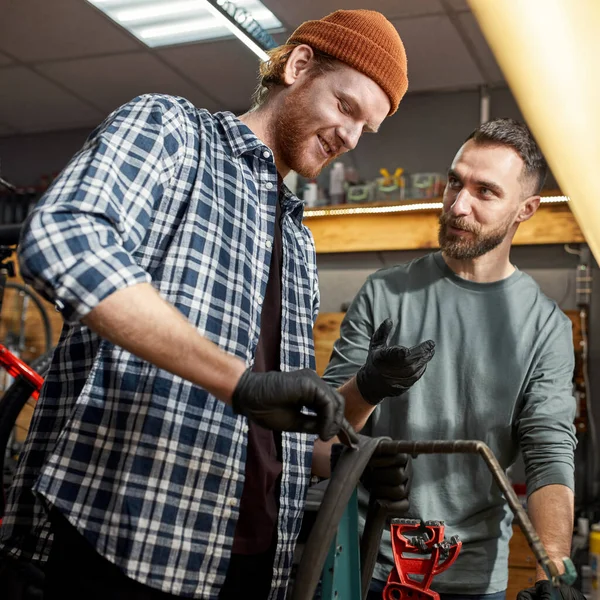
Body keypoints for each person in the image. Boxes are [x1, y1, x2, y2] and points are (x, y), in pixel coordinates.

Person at [0, 9, 433, 600]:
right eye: (346, 107)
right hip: (130, 541)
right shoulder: (174, 131)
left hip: (256, 565)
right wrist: (240, 382)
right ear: (299, 67)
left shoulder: (298, 239)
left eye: (368, 129)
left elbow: (273, 438)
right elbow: (64, 239)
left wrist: (352, 449)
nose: (352, 138)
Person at [318, 118, 580, 600]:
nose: (458, 204)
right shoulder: (385, 293)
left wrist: (553, 570)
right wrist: (365, 389)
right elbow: (321, 447)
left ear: (526, 209)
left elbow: (549, 457)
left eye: (485, 191)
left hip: (470, 576)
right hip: (363, 562)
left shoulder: (545, 327)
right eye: (455, 181)